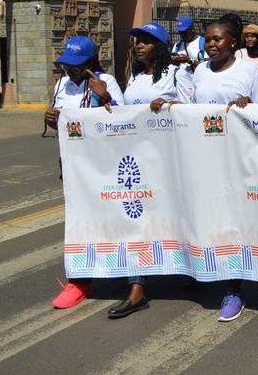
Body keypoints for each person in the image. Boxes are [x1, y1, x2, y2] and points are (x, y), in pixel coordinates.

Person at [175, 13, 258, 322]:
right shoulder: (199, 71)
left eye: (218, 39)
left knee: (233, 222)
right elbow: (188, 110)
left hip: (236, 157)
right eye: (208, 39)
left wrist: (248, 106)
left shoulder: (250, 71)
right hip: (203, 156)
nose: (211, 45)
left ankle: (234, 288)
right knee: (205, 215)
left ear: (233, 42)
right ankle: (202, 269)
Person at [106, 22, 191, 318]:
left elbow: (195, 112)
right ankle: (136, 287)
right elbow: (124, 114)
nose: (139, 46)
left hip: (170, 162)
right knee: (136, 220)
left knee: (175, 218)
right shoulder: (135, 78)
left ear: (162, 46)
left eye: (147, 41)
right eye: (137, 41)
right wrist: (106, 100)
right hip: (139, 162)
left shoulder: (178, 74)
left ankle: (192, 271)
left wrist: (171, 106)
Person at [45, 36, 125, 309]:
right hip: (71, 165)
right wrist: (51, 120)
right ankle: (80, 281)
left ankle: (125, 270)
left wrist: (105, 96)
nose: (71, 70)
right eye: (68, 65)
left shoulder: (108, 81)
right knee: (79, 223)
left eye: (77, 65)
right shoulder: (61, 85)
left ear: (92, 62)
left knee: (112, 218)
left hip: (103, 165)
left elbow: (124, 122)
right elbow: (63, 124)